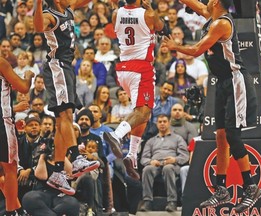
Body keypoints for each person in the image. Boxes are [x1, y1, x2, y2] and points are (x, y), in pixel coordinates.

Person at [162, 0, 261, 213]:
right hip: (222, 82)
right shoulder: (212, 14)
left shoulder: (222, 24)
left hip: (236, 81)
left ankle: (250, 186)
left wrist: (175, 46)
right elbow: (194, 4)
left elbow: (197, 49)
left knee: (233, 136)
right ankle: (221, 188)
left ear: (216, 2)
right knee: (220, 136)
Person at [34, 0, 100, 195]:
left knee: (60, 122)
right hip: (57, 66)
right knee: (66, 116)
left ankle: (58, 170)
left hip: (66, 67)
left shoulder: (68, 7)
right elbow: (38, 26)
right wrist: (38, 4)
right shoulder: (49, 15)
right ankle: (76, 156)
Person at [102, 0, 165, 180]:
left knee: (142, 112)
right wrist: (150, 7)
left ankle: (132, 155)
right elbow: (161, 27)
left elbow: (120, 15)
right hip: (141, 68)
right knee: (143, 112)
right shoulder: (149, 14)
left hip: (123, 70)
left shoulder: (116, 13)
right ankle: (117, 134)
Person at [0, 57, 34, 216]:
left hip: (6, 118)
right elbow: (24, 88)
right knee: (10, 168)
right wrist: (28, 75)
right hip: (2, 121)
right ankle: (11, 212)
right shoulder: (1, 62)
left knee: (2, 176)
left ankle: (18, 210)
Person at [139, 114, 189, 212]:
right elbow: (143, 158)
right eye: (160, 122)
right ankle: (147, 201)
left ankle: (172, 202)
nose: (162, 124)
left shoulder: (177, 138)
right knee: (147, 169)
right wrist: (151, 161)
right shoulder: (151, 141)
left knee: (168, 168)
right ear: (157, 124)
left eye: (164, 121)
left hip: (172, 165)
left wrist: (174, 160)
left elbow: (185, 156)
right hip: (155, 165)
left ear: (169, 123)